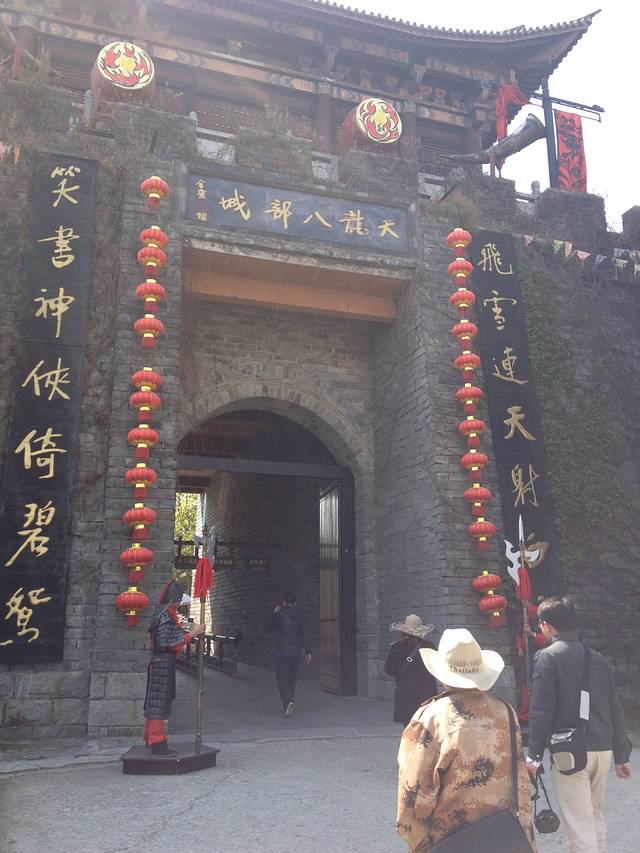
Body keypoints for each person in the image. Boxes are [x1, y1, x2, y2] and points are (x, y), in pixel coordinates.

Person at [397, 628, 536, 852]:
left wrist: (419, 844)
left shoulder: (431, 717)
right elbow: (520, 782)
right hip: (502, 836)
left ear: (441, 674)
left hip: (450, 839)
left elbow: (412, 795)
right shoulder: (506, 711)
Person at [527, 596, 632, 853]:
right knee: (594, 817)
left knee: (579, 825)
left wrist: (534, 756)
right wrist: (622, 755)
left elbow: (541, 712)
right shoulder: (598, 659)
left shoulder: (547, 658)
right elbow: (615, 709)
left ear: (546, 625)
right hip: (602, 750)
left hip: (570, 753)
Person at [143, 579, 205, 755]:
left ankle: (151, 738)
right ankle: (157, 742)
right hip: (162, 663)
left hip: (160, 662)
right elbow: (171, 642)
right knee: (159, 703)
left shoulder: (162, 612)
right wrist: (193, 633)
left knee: (156, 702)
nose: (178, 604)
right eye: (177, 601)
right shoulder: (166, 615)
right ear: (173, 599)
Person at [385, 614, 437, 726]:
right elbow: (436, 668)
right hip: (426, 695)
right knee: (426, 728)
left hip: (406, 695)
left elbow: (388, 669)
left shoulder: (397, 647)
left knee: (409, 728)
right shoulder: (429, 646)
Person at [270, 590, 311, 717]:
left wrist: (274, 614)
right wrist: (308, 651)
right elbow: (304, 634)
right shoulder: (300, 616)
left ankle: (288, 702)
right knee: (291, 679)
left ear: (284, 603)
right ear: (295, 603)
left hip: (282, 652)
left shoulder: (279, 615)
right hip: (296, 653)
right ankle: (289, 703)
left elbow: (269, 627)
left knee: (281, 679)